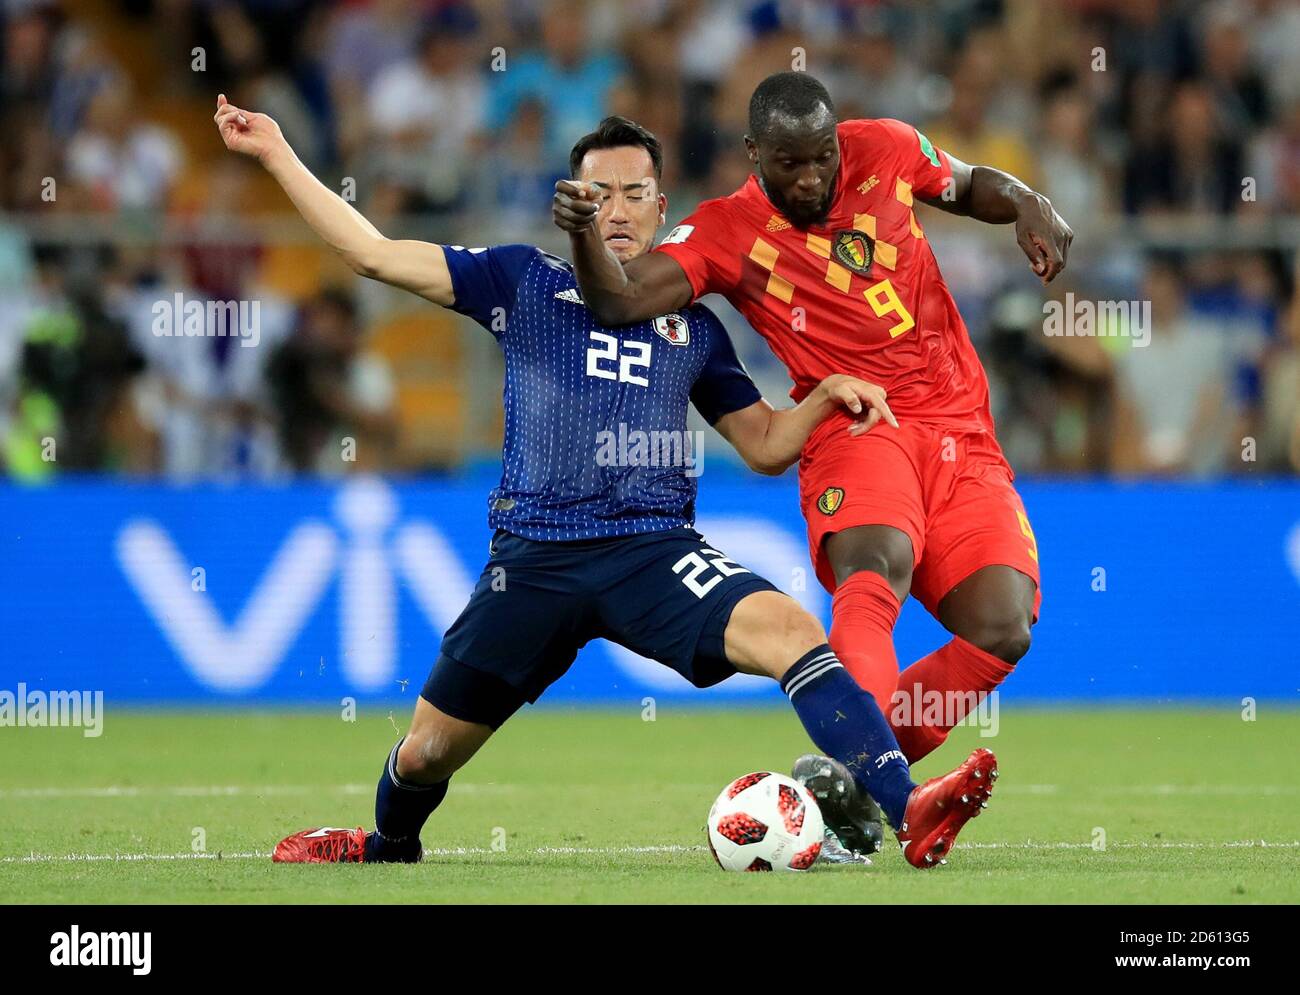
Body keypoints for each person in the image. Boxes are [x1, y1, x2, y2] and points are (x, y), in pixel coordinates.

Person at [214, 99, 1000, 869]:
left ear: (661, 207)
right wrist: (279, 152)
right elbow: (372, 252)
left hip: (653, 554)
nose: (616, 209)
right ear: (572, 200)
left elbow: (762, 444)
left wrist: (823, 394)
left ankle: (907, 806)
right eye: (598, 193)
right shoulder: (520, 281)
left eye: (633, 194)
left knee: (797, 633)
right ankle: (387, 844)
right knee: (425, 754)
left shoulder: (690, 323)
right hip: (534, 557)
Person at [553, 72, 1070, 855]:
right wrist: (586, 235)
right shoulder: (727, 230)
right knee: (878, 567)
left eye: (823, 157)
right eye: (790, 163)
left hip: (961, 428)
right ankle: (900, 795)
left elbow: (966, 185)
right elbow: (619, 300)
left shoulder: (887, 148)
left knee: (1004, 626)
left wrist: (1029, 201)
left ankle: (846, 781)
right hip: (855, 420)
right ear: (755, 154)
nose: (812, 177)